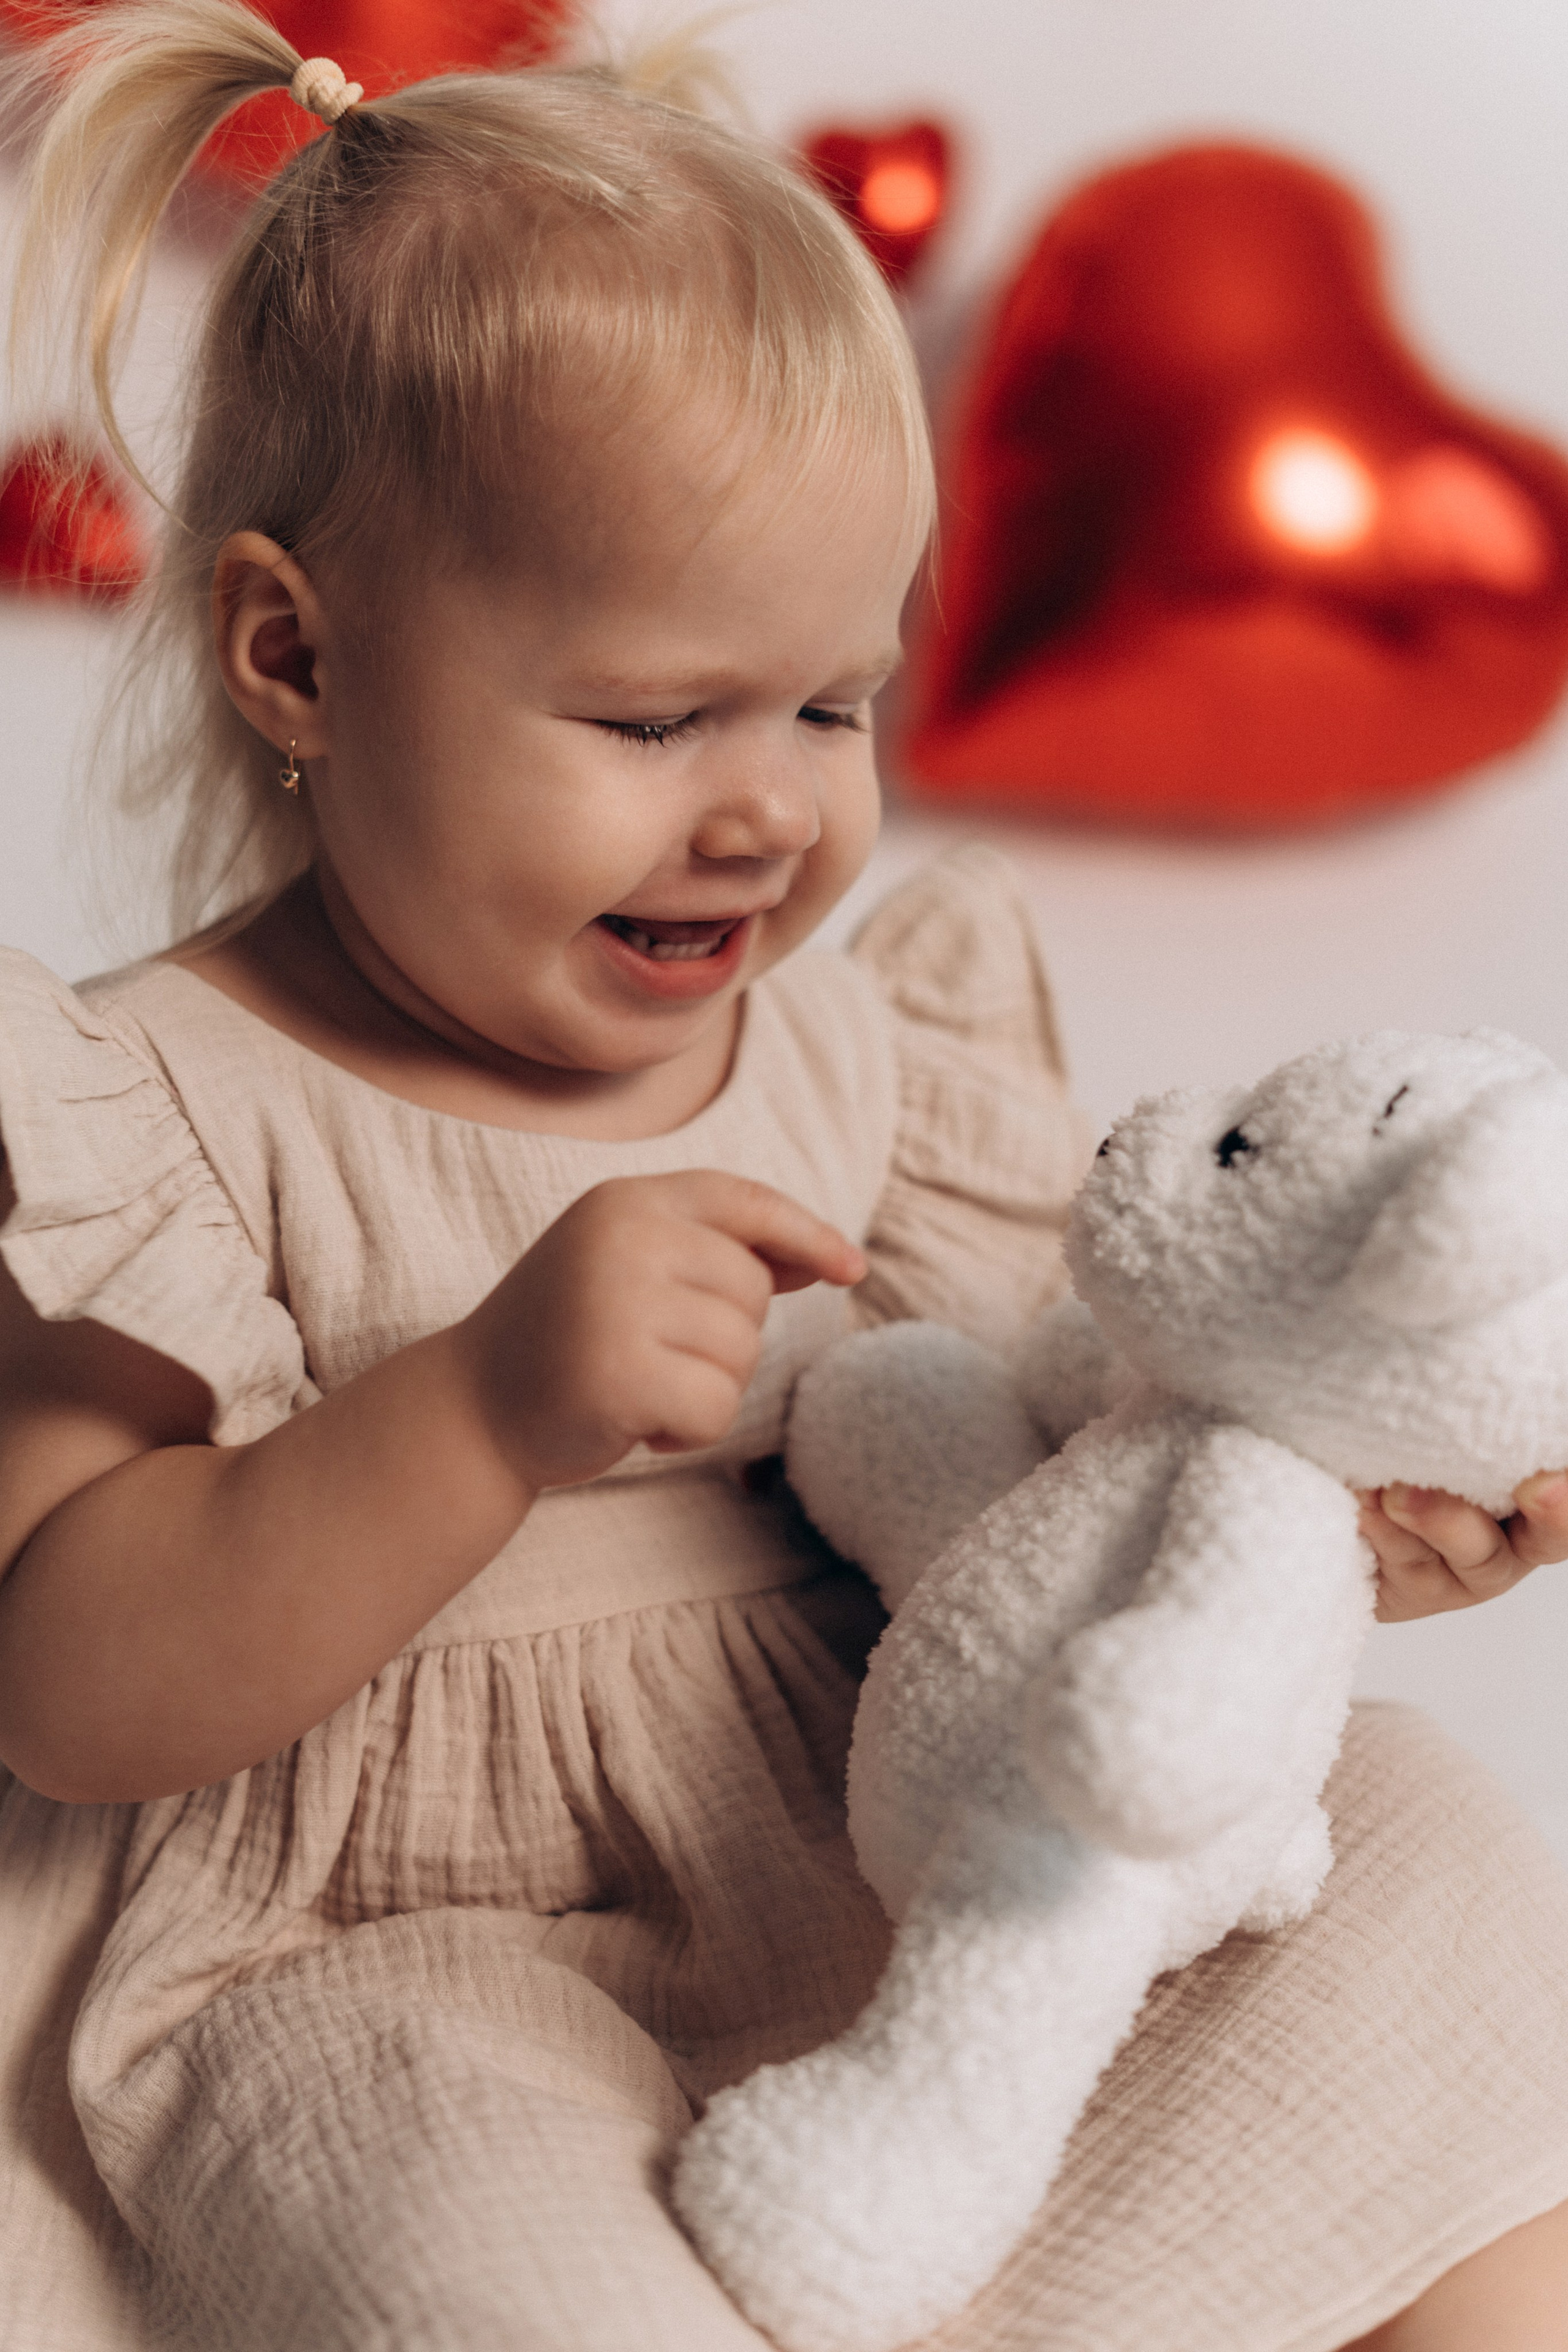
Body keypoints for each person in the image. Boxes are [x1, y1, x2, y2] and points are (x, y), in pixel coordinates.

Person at [1, 6, 1566, 2346]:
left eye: (830, 704)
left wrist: (1312, 1568)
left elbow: (1061, 1480)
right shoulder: (164, 1110)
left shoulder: (870, 1062)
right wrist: (481, 1406)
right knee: (455, 2213)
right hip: (411, 1967)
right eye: (651, 721)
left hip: (903, 1886)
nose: (767, 809)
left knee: (1431, 1862)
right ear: (296, 658)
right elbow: (70, 1689)